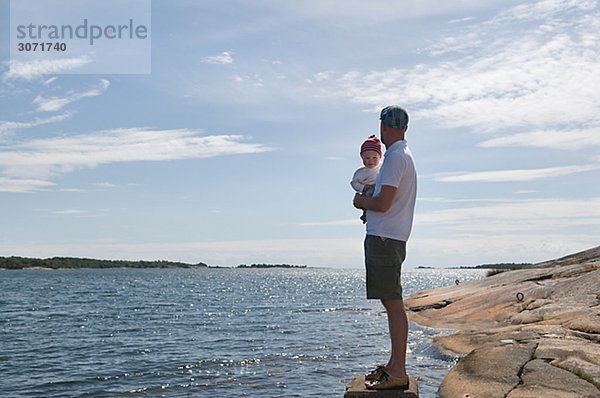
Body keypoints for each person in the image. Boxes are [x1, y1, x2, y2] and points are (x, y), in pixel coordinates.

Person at [353, 105, 417, 390]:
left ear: (384, 127)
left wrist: (361, 202)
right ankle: (394, 366)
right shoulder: (400, 155)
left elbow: (382, 203)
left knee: (393, 304)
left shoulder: (393, 158)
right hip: (390, 237)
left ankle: (398, 371)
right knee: (391, 302)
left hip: (384, 239)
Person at [350, 134, 382, 223]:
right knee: (366, 198)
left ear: (380, 156)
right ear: (362, 158)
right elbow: (354, 183)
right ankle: (366, 215)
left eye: (374, 158)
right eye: (367, 158)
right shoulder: (360, 172)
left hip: (379, 192)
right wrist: (363, 187)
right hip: (367, 192)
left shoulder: (383, 167)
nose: (371, 161)